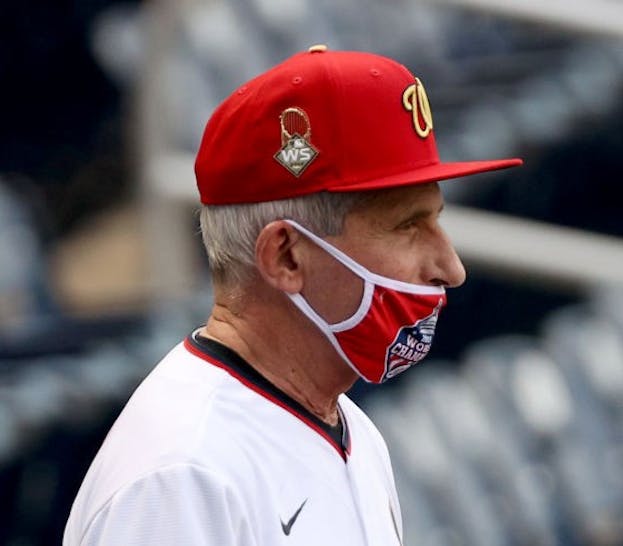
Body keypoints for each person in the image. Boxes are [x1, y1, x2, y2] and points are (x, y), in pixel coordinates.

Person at [63, 45, 522, 545]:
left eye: (437, 220)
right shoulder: (181, 477)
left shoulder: (353, 431)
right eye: (408, 226)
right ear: (286, 257)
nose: (450, 267)